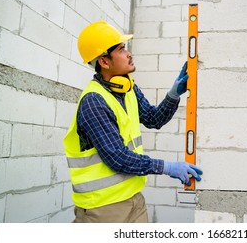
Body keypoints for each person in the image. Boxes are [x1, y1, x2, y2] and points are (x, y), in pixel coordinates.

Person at [63, 21, 202, 223]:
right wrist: (167, 167)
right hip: (103, 210)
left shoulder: (127, 88)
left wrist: (173, 94)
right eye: (121, 50)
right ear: (104, 62)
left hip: (134, 201)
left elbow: (153, 118)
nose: (128, 54)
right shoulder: (94, 102)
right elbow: (118, 157)